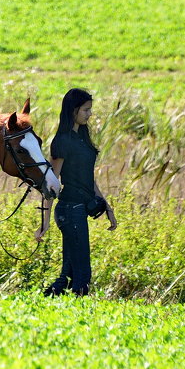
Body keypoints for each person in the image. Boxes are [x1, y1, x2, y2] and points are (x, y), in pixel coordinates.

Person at [35, 88, 117, 296]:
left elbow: (89, 179)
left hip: (79, 210)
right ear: (73, 111)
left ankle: (46, 304)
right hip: (69, 210)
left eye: (90, 110)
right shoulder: (62, 141)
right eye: (86, 110)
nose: (89, 114)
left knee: (69, 273)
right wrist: (43, 223)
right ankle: (78, 311)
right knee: (82, 274)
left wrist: (107, 207)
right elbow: (51, 184)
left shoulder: (82, 137)